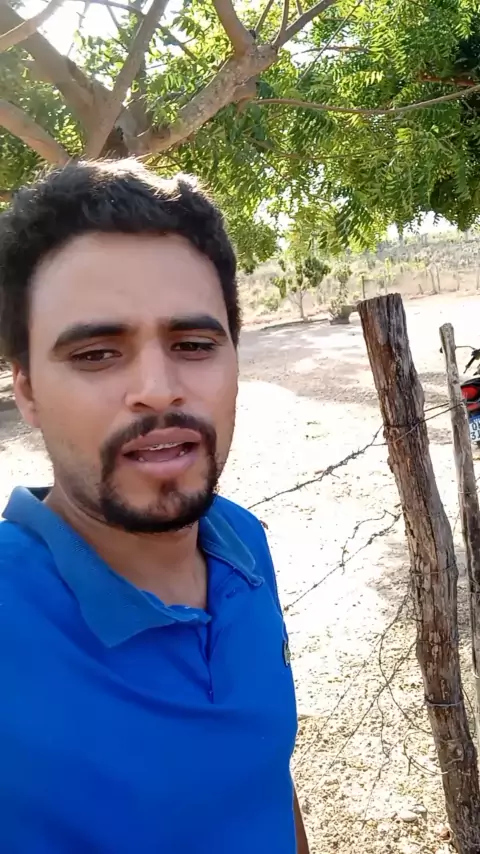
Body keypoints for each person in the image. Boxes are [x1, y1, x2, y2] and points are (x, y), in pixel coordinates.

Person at [0, 160, 309, 854]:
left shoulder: (243, 544)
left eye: (194, 345)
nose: (158, 388)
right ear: (27, 392)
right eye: (97, 353)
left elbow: (263, 775)